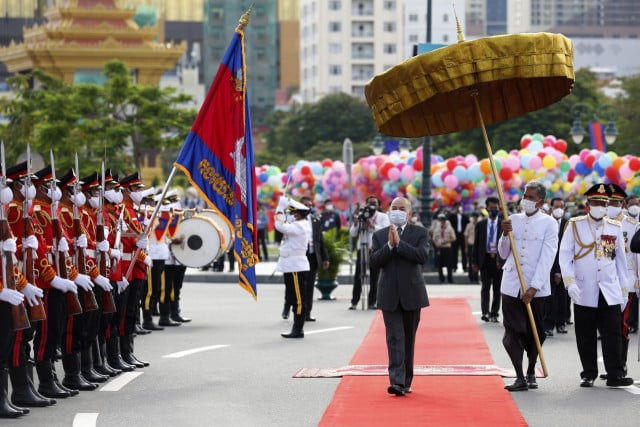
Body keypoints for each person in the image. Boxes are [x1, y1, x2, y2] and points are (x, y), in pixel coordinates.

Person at [559, 183, 633, 388]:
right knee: (585, 333)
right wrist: (569, 282)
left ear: (607, 205)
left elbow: (620, 261)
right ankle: (588, 373)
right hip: (584, 289)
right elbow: (564, 256)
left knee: (612, 333)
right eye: (595, 202)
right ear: (588, 204)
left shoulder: (615, 227)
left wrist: (624, 289)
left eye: (603, 203)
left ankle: (615, 374)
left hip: (609, 289)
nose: (599, 206)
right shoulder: (575, 225)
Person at [500, 180, 558, 391]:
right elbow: (503, 253)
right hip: (511, 284)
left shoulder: (550, 223)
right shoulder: (513, 219)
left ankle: (531, 369)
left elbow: (548, 256)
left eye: (531, 197)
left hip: (536, 288)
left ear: (540, 201)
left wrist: (534, 287)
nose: (526, 200)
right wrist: (504, 235)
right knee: (513, 331)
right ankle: (519, 376)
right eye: (525, 196)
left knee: (536, 333)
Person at [370, 196, 429, 396]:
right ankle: (397, 382)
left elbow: (422, 256)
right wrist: (389, 246)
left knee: (408, 339)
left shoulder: (420, 232)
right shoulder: (379, 236)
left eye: (401, 208)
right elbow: (374, 261)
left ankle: (406, 380)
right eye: (394, 207)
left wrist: (399, 245)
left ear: (409, 212)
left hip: (412, 293)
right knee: (394, 338)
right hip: (389, 294)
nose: (397, 210)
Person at [603, 184, 638, 380]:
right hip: (607, 281)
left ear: (622, 204)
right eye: (609, 202)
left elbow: (636, 256)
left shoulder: (632, 226)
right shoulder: (602, 224)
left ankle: (621, 365)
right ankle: (613, 366)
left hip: (627, 279)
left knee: (621, 324)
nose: (611, 205)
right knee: (608, 326)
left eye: (615, 202)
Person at [275, 196, 311, 338]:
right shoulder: (299, 224)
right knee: (293, 297)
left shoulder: (300, 226)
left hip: (296, 267)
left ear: (298, 214)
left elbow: (279, 226)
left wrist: (280, 208)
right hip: (291, 266)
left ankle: (298, 329)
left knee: (298, 300)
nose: (291, 215)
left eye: (293, 212)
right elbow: (284, 224)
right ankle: (297, 328)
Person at [349, 195, 389, 310]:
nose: (372, 205)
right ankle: (354, 302)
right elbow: (353, 233)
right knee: (358, 276)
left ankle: (372, 302)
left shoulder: (382, 216)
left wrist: (371, 225)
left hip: (375, 249)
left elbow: (384, 231)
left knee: (375, 276)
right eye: (370, 203)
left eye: (374, 203)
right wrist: (356, 223)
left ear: (378, 205)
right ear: (366, 204)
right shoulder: (362, 215)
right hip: (362, 249)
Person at [472, 197, 504, 323]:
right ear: (486, 209)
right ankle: (485, 312)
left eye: (495, 208)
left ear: (499, 209)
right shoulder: (481, 224)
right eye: (491, 208)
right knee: (485, 287)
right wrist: (474, 262)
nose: (493, 211)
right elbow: (476, 245)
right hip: (484, 259)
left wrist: (503, 261)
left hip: (498, 261)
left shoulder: (503, 224)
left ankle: (494, 313)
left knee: (497, 288)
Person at [299, 196, 329, 322]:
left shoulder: (315, 220)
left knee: (309, 286)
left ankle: (307, 313)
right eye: (305, 205)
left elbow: (320, 240)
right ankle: (296, 310)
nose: (308, 207)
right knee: (300, 287)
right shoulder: (295, 220)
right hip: (300, 257)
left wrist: (325, 258)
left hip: (312, 257)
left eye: (310, 205)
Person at [544, 197, 569, 336]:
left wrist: (561, 270)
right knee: (549, 297)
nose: (559, 209)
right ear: (551, 208)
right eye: (556, 206)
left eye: (561, 207)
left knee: (562, 298)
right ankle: (548, 325)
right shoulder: (546, 223)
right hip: (548, 265)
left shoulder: (568, 224)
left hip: (564, 266)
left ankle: (561, 323)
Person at [624, 194, 640, 333]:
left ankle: (633, 323)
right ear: (626, 205)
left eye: (637, 204)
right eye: (632, 204)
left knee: (633, 300)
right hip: (626, 267)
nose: (635, 207)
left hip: (635, 268)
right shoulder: (622, 223)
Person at [431, 214, 456, 283]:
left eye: (443, 221)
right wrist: (436, 244)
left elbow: (454, 238)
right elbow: (434, 238)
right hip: (440, 248)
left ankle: (450, 279)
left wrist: (446, 241)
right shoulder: (437, 229)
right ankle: (441, 279)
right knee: (440, 265)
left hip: (447, 247)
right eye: (441, 221)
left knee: (449, 264)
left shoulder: (449, 228)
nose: (442, 222)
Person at [447, 203, 469, 272]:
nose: (458, 209)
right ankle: (454, 267)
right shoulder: (452, 216)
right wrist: (453, 213)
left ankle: (464, 267)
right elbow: (448, 220)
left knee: (464, 252)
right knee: (454, 252)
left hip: (462, 235)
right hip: (455, 235)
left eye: (459, 207)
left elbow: (468, 223)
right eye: (457, 207)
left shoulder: (464, 216)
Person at [464, 212, 480, 283]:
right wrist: (466, 247)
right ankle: (471, 277)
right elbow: (466, 236)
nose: (475, 219)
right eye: (474, 217)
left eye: (476, 217)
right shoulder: (469, 225)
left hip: (478, 245)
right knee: (471, 261)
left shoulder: (480, 224)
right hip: (471, 244)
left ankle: (476, 278)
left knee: (478, 262)